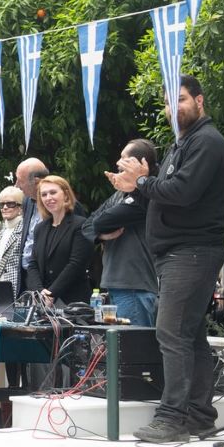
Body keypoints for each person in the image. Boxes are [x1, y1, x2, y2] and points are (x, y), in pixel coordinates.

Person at [111, 75, 224, 443]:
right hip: (179, 253)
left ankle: (172, 418)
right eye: (167, 102)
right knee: (190, 335)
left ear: (199, 100)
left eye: (180, 99)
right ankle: (199, 415)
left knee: (172, 332)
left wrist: (141, 183)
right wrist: (139, 186)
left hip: (191, 252)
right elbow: (167, 195)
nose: (173, 108)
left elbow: (182, 192)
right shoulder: (184, 143)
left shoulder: (206, 142)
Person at [83, 139, 159, 327]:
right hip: (117, 284)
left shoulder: (146, 196)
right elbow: (87, 225)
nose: (118, 163)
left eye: (124, 159)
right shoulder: (119, 195)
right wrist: (101, 236)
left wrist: (100, 226)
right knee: (118, 343)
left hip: (134, 285)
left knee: (133, 344)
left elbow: (100, 221)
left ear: (139, 165)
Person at [25, 175, 93, 305]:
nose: (48, 198)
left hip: (73, 303)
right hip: (44, 302)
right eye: (44, 195)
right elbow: (33, 264)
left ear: (66, 195)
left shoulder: (81, 225)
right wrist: (39, 292)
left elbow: (76, 264)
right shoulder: (40, 228)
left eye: (53, 192)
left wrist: (51, 293)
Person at [13, 157, 49, 293]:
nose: (17, 185)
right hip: (27, 278)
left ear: (36, 182)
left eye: (20, 181)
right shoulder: (27, 201)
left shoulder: (61, 206)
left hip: (48, 281)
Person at [0, 186, 25, 298]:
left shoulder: (26, 230)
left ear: (20, 208)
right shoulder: (3, 231)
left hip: (18, 291)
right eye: (2, 204)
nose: (4, 207)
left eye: (10, 204)